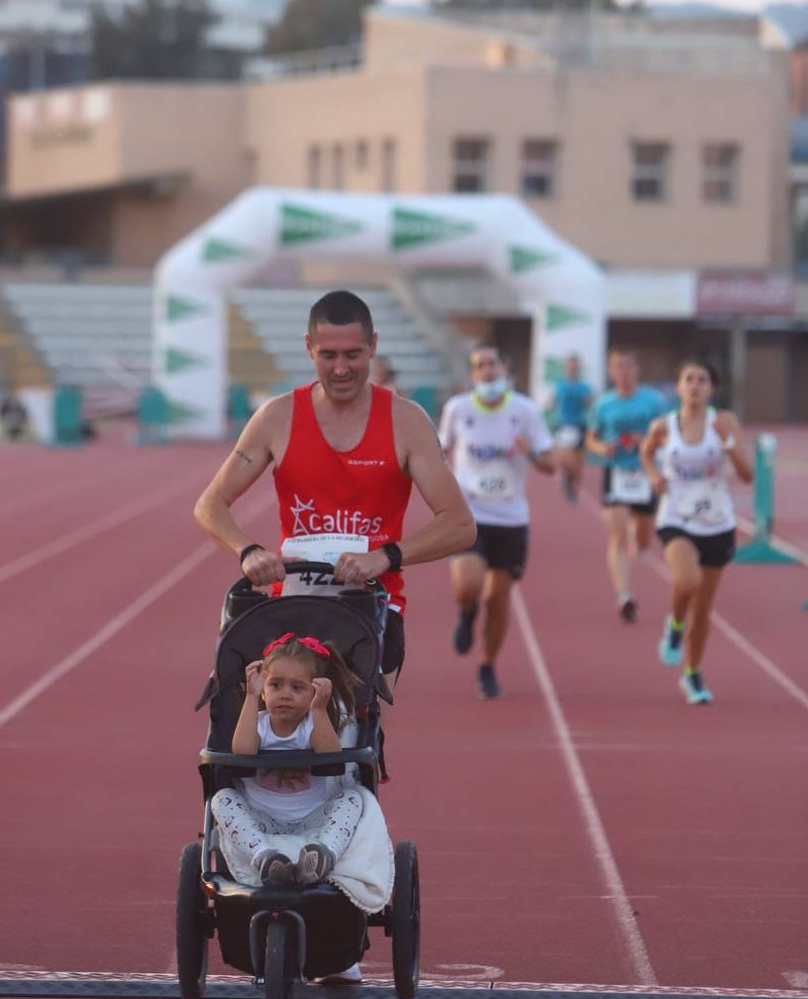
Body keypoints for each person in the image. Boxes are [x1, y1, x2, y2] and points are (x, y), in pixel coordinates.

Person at [194, 289, 476, 689]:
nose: (341, 369)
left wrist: (387, 556)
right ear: (309, 348)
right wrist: (248, 550)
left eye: (353, 355)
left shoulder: (406, 421)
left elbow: (461, 525)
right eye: (329, 356)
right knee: (269, 727)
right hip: (290, 600)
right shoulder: (277, 417)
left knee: (354, 728)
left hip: (371, 604)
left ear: (373, 346)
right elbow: (210, 505)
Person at [438, 344, 555, 700]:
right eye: (479, 366)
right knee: (469, 585)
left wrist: (530, 453)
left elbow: (551, 464)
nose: (487, 371)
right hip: (470, 514)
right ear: (473, 374)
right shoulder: (457, 409)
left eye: (492, 363)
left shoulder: (525, 410)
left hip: (511, 517)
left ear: (504, 368)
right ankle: (466, 611)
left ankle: (487, 666)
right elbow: (439, 450)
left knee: (499, 598)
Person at [211, 633, 368, 886]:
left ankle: (322, 854)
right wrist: (250, 698)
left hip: (312, 816)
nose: (285, 695)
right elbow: (242, 750)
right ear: (263, 690)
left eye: (297, 688)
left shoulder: (312, 725)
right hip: (261, 816)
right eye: (275, 685)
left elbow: (331, 756)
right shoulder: (258, 724)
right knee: (221, 800)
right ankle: (265, 857)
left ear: (312, 692)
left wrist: (319, 709)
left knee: (352, 800)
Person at [640, 358, 753, 704]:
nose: (695, 385)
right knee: (687, 581)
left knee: (703, 608)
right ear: (678, 387)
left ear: (711, 388)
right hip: (677, 517)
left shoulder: (724, 421)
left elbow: (747, 475)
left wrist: (728, 443)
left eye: (702, 380)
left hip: (717, 522)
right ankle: (675, 627)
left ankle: (692, 673)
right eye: (688, 379)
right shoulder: (664, 426)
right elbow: (645, 453)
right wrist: (654, 476)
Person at [585, 348, 667, 623]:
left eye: (628, 366)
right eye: (618, 366)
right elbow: (591, 438)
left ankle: (638, 550)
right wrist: (600, 447)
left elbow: (667, 435)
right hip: (617, 473)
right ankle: (624, 595)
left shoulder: (654, 401)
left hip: (645, 472)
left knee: (643, 538)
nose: (623, 372)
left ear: (637, 370)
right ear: (611, 371)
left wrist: (650, 442)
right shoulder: (603, 404)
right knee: (618, 536)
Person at [546, 353, 593, 502]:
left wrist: (588, 402)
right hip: (563, 424)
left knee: (578, 461)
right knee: (563, 457)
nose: (573, 368)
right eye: (570, 365)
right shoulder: (559, 385)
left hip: (579, 424)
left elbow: (590, 404)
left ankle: (574, 487)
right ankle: (566, 477)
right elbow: (552, 402)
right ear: (566, 368)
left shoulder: (584, 387)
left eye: (575, 365)